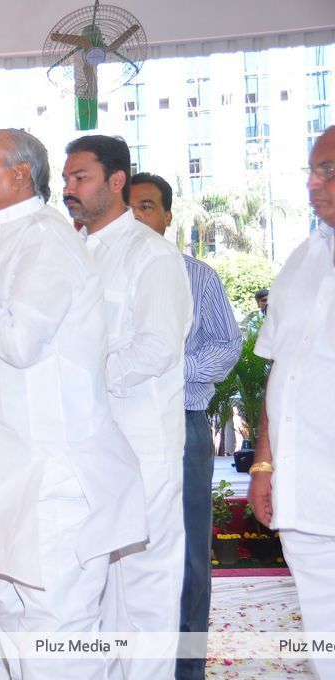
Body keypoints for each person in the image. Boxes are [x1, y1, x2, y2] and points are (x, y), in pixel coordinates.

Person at [0, 129, 147, 680]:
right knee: (14, 627)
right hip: (5, 473)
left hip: (50, 476)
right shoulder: (0, 240)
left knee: (56, 634)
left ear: (20, 173)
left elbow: (22, 342)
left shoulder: (46, 239)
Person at [64, 136, 192, 680]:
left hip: (142, 443)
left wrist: (80, 382)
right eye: (67, 179)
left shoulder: (151, 254)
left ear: (117, 182)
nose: (69, 189)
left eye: (81, 178)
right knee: (104, 588)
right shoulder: (74, 252)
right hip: (93, 444)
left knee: (145, 588)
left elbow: (158, 347)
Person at [130, 172, 242, 680]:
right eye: (129, 207)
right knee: (121, 552)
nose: (137, 217)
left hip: (182, 421)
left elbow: (226, 344)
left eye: (148, 207)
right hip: (114, 430)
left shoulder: (197, 275)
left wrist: (170, 371)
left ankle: (185, 668)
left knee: (190, 556)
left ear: (168, 216)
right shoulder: (96, 276)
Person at [249, 125, 335, 680]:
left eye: (326, 170)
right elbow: (282, 370)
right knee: (323, 625)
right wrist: (262, 464)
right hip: (306, 487)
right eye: (311, 170)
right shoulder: (302, 260)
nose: (311, 183)